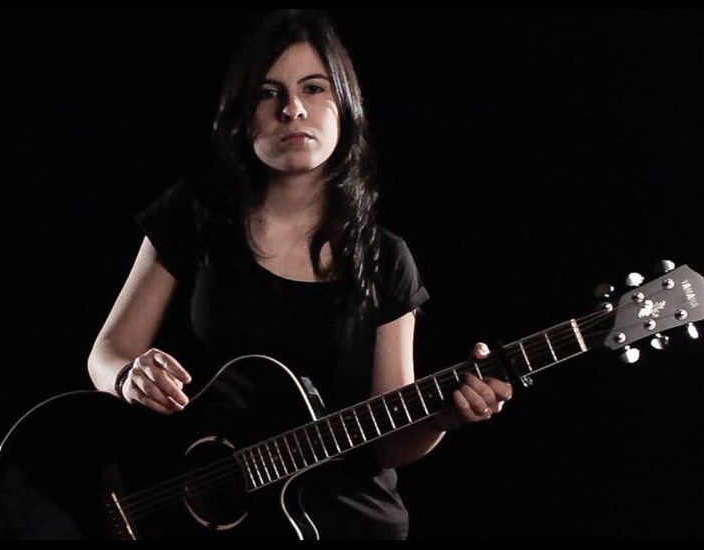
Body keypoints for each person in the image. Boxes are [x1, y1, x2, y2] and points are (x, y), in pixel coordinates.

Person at [87, 10, 512, 540]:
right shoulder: (193, 214)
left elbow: (388, 443)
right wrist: (127, 376)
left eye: (313, 88)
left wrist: (443, 418)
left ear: (345, 107)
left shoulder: (385, 258)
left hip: (345, 523)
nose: (292, 109)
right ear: (243, 115)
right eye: (269, 93)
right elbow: (107, 353)